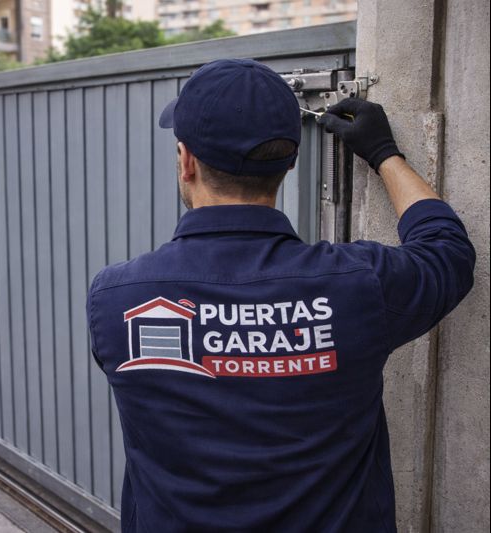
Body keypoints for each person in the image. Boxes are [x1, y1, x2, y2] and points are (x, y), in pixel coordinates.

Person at [85, 59, 475, 533]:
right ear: (291, 160)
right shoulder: (357, 285)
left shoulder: (117, 299)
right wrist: (384, 153)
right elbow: (446, 250)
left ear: (186, 161)